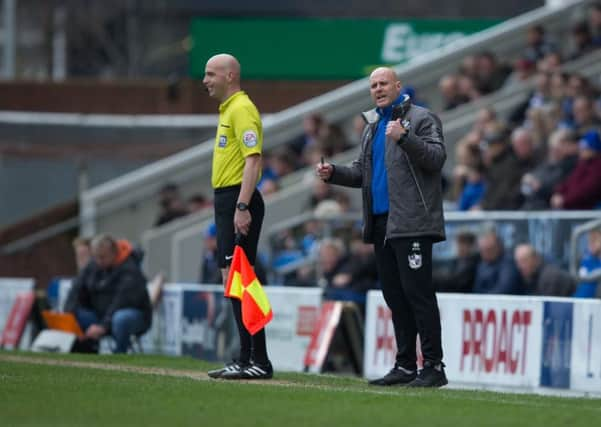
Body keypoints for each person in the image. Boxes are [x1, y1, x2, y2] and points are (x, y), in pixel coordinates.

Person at [316, 67, 447, 388]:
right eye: (373, 85)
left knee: (418, 295)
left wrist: (405, 138)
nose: (378, 88)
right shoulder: (372, 127)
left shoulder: (421, 119)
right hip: (382, 223)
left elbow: (436, 158)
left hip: (413, 222)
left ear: (398, 85)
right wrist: (334, 173)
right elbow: (363, 172)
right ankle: (404, 365)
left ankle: (433, 366)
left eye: (383, 83)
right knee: (394, 297)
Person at [202, 53, 272, 380]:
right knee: (232, 281)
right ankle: (244, 358)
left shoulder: (242, 109)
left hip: (237, 200)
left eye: (211, 74)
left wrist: (242, 207)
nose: (206, 80)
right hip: (226, 200)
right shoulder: (229, 110)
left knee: (242, 280)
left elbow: (253, 160)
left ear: (230, 76)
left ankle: (258, 360)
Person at [64, 234, 152, 353]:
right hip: (102, 316)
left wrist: (103, 326)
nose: (99, 261)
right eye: (96, 257)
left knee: (121, 318)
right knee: (77, 314)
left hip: (134, 316)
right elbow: (76, 289)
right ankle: (86, 352)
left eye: (103, 257)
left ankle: (120, 355)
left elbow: (121, 302)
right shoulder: (94, 265)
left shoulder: (130, 270)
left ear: (114, 253)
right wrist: (69, 318)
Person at [473, 230, 523, 295]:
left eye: (489, 249)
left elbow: (505, 289)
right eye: (482, 250)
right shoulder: (482, 265)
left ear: (499, 247)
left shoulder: (508, 263)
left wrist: (484, 299)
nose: (484, 253)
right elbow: (476, 289)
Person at [573, 228, 601, 298]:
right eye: (589, 240)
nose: (590, 244)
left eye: (594, 239)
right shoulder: (587, 260)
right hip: (579, 303)